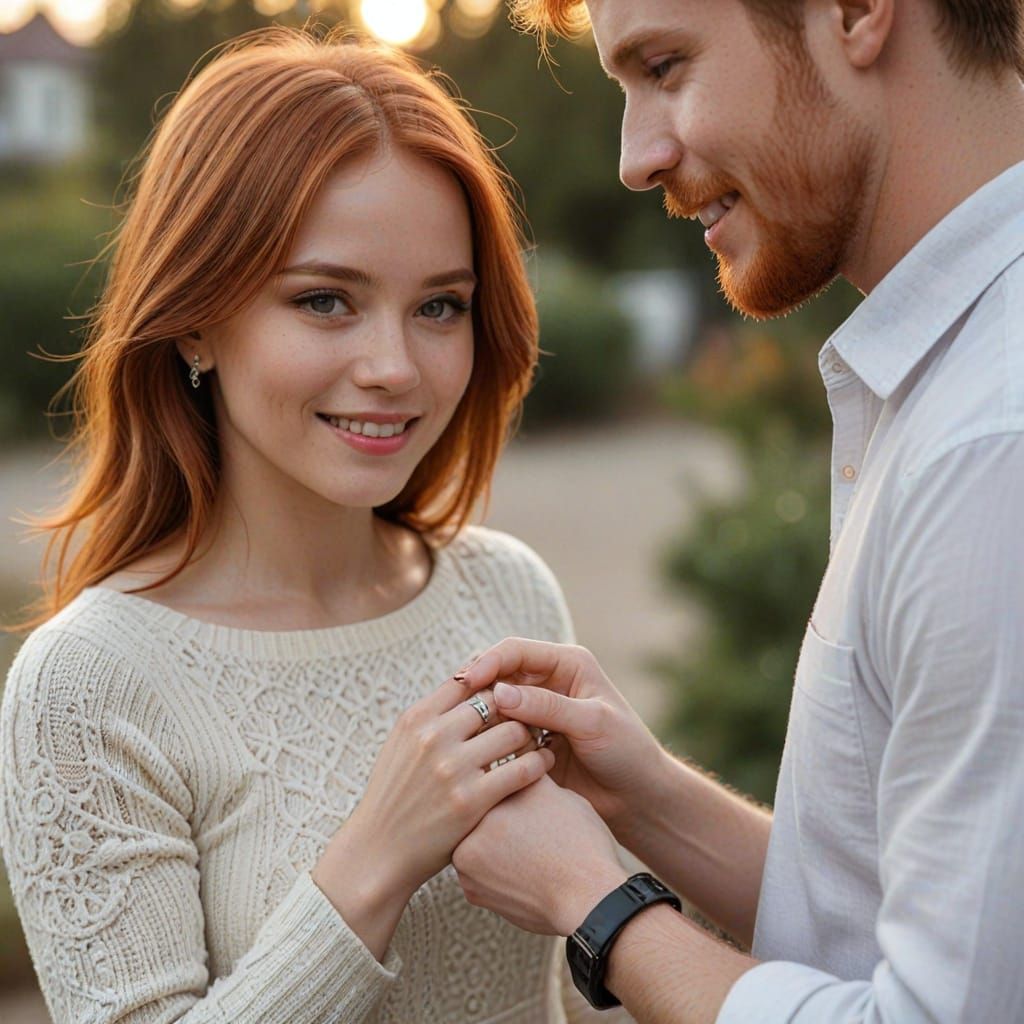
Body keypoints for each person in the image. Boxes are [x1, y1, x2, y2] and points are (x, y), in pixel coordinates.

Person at [0, 27, 612, 1024]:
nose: (395, 367)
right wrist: (373, 861)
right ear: (195, 316)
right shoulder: (91, 687)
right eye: (326, 300)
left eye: (439, 307)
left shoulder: (507, 596)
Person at [450, 0, 1024, 1021]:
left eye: (665, 66)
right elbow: (935, 930)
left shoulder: (992, 442)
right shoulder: (957, 380)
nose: (635, 156)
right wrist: (647, 800)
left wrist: (600, 906)